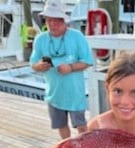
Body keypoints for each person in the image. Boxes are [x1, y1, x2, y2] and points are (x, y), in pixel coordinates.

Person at [30, 0, 93, 139]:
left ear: (64, 20)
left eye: (57, 20)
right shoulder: (40, 39)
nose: (52, 24)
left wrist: (70, 67)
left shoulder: (77, 36)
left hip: (75, 95)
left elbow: (88, 61)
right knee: (61, 126)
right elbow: (33, 64)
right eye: (49, 20)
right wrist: (39, 66)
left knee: (81, 126)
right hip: (54, 95)